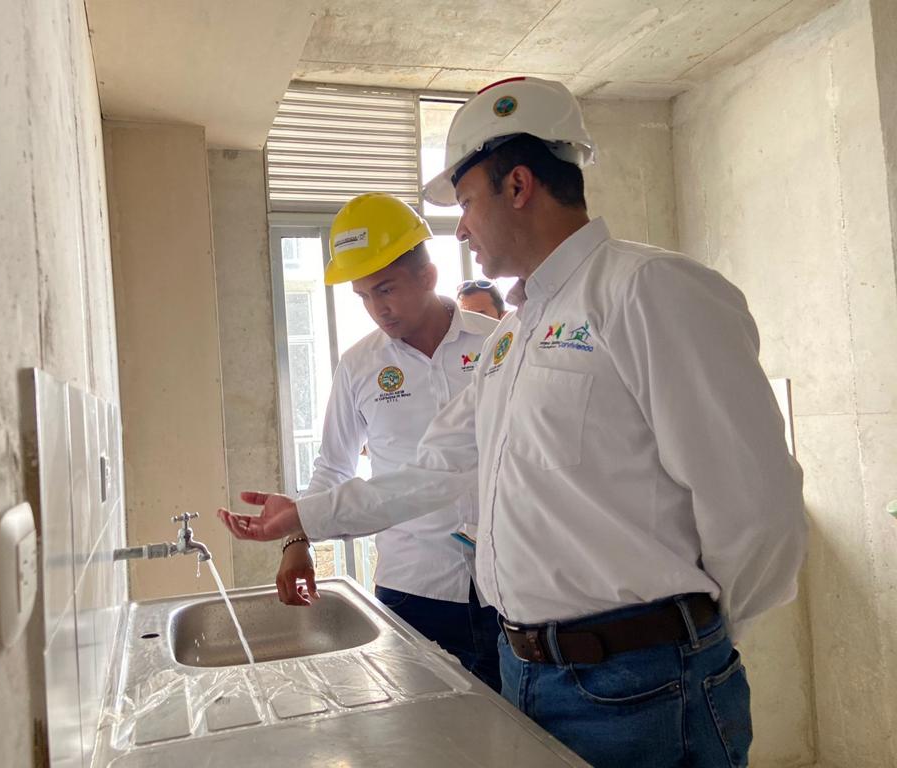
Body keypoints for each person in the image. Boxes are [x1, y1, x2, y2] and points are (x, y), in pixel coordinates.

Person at [220, 78, 806, 768]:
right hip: (530, 669)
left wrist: (692, 638)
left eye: (466, 202)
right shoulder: (513, 336)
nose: (462, 228)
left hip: (643, 685)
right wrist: (306, 517)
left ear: (519, 185)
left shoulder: (648, 290)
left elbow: (755, 504)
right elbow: (437, 471)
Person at [277, 192, 502, 692]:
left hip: (507, 585)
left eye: (386, 289)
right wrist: (297, 540)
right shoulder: (360, 366)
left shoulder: (497, 343)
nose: (377, 309)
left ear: (428, 276)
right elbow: (334, 466)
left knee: (518, 729)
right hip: (412, 589)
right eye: (363, 296)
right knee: (422, 727)